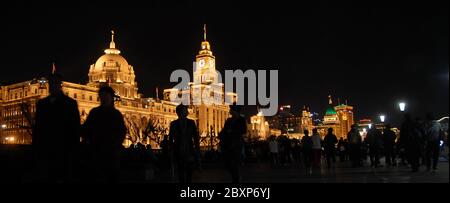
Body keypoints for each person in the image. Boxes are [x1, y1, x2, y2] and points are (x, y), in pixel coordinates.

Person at [32, 72, 81, 183]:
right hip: (46, 149)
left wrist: (73, 148)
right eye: (51, 83)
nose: (52, 86)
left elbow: (75, 128)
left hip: (64, 149)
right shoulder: (42, 103)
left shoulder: (70, 104)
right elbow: (38, 127)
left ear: (60, 85)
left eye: (55, 83)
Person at [83, 86, 127, 183]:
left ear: (111, 98)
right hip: (96, 152)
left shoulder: (116, 114)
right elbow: (86, 129)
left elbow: (122, 132)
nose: (104, 98)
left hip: (111, 153)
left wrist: (115, 145)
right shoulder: (94, 112)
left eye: (106, 96)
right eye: (102, 96)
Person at [168, 104, 200, 183]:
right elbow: (170, 138)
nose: (188, 112)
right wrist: (171, 150)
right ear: (180, 112)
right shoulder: (173, 124)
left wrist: (197, 149)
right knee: (180, 172)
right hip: (178, 151)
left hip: (189, 150)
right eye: (186, 110)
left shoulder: (191, 123)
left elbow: (195, 137)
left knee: (189, 172)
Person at [219, 104, 247, 183]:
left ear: (235, 111)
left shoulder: (241, 119)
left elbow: (244, 130)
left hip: (236, 144)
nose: (229, 110)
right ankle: (236, 177)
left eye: (231, 109)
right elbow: (224, 129)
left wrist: (232, 131)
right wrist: (221, 134)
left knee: (234, 163)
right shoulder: (229, 120)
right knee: (227, 164)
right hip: (227, 144)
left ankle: (236, 179)